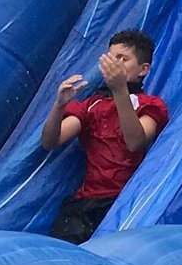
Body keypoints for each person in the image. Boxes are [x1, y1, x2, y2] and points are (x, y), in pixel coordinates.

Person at [41, 28, 169, 244]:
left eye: (123, 59)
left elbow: (135, 142)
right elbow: (50, 141)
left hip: (125, 202)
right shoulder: (92, 105)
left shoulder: (151, 105)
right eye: (111, 58)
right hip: (85, 203)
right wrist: (59, 106)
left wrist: (120, 91)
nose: (115, 64)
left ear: (143, 69)